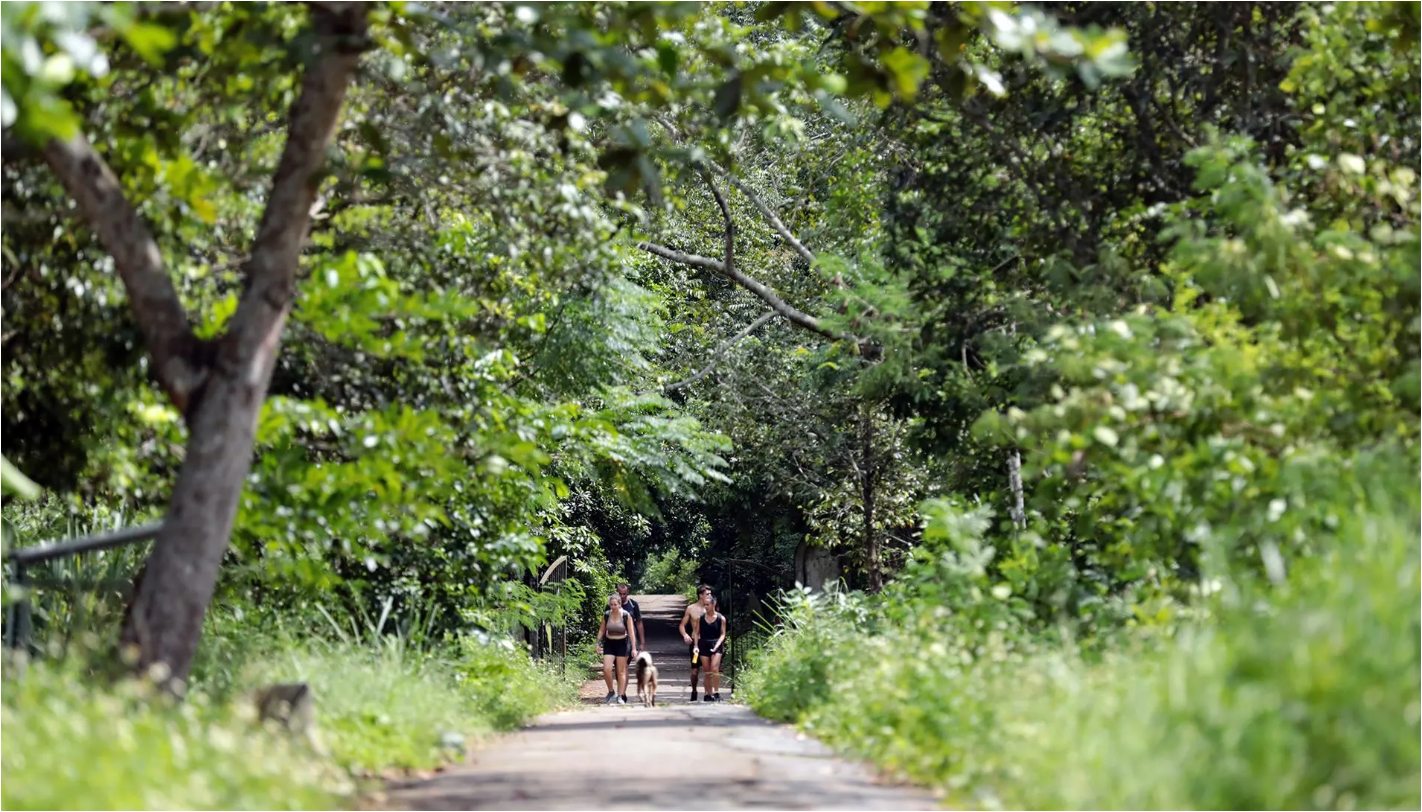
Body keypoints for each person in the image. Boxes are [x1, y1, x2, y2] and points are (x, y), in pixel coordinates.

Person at [597, 593, 638, 705]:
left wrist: (634, 648)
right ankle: (611, 691)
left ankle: (620, 695)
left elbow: (631, 633)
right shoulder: (606, 615)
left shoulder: (626, 615)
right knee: (606, 669)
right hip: (609, 643)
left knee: (621, 671)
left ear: (620, 604)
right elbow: (601, 630)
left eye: (615, 604)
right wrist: (598, 643)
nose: (613, 607)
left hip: (622, 643)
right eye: (611, 605)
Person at [678, 584, 712, 702]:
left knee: (709, 669)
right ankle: (694, 690)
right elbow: (682, 625)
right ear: (700, 595)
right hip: (696, 645)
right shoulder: (691, 608)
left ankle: (708, 693)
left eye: (710, 594)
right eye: (707, 594)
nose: (710, 596)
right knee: (695, 670)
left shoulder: (711, 607)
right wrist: (685, 635)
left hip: (708, 642)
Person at [693, 594, 727, 702]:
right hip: (704, 644)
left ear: (713, 604)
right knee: (707, 671)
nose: (706, 607)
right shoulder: (700, 618)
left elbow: (723, 634)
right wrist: (696, 646)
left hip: (716, 643)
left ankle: (716, 692)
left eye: (708, 605)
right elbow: (696, 633)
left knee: (714, 669)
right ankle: (708, 694)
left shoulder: (721, 618)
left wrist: (717, 644)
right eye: (704, 605)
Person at [616, 583, 645, 659]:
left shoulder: (633, 605)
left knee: (625, 662)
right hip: (615, 635)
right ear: (617, 592)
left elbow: (639, 623)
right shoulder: (612, 605)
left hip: (630, 637)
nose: (622, 596)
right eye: (620, 594)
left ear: (628, 592)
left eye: (624, 594)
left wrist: (642, 642)